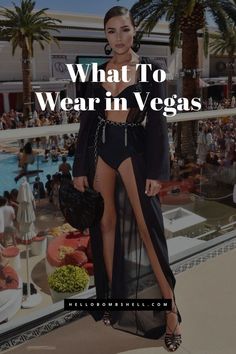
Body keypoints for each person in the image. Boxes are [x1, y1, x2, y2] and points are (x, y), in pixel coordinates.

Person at [73, 6, 181, 352]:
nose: (118, 38)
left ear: (134, 31)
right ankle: (111, 300)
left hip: (133, 152)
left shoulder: (150, 71)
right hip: (100, 152)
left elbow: (158, 124)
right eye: (111, 32)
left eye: (124, 30)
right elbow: (86, 125)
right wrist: (78, 169)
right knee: (105, 226)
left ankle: (171, 311)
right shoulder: (93, 74)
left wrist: (156, 172)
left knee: (149, 231)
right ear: (105, 36)